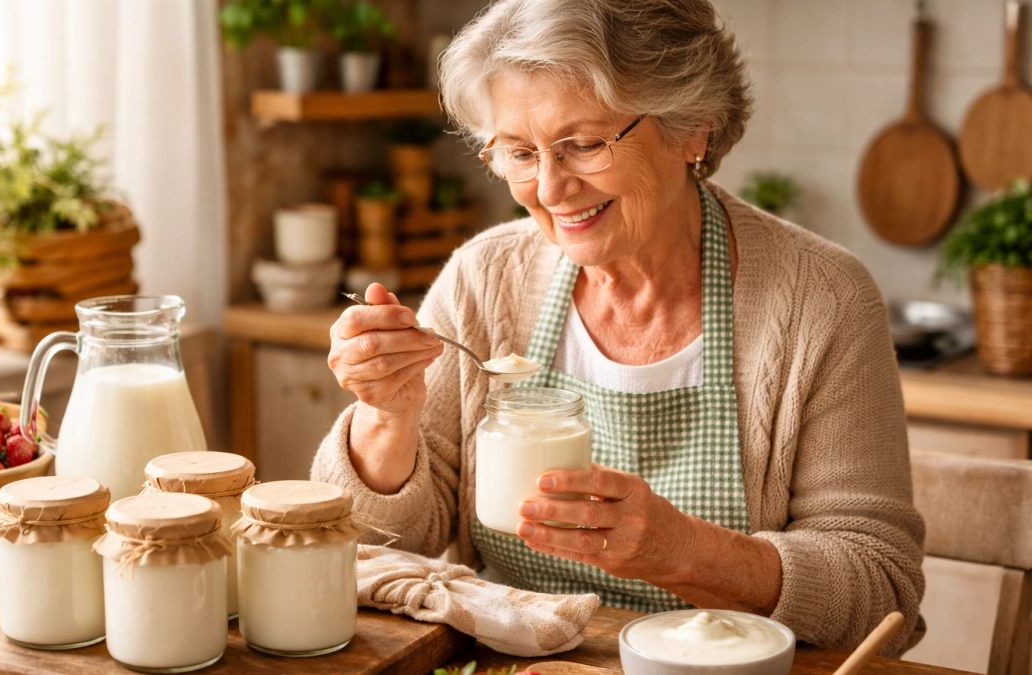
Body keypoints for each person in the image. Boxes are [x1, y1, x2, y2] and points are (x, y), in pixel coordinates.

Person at [313, 0, 924, 655]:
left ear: (692, 129)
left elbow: (879, 596)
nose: (549, 187)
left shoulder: (822, 299)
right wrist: (388, 418)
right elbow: (359, 551)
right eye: (519, 152)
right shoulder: (483, 279)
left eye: (582, 144)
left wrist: (682, 551)